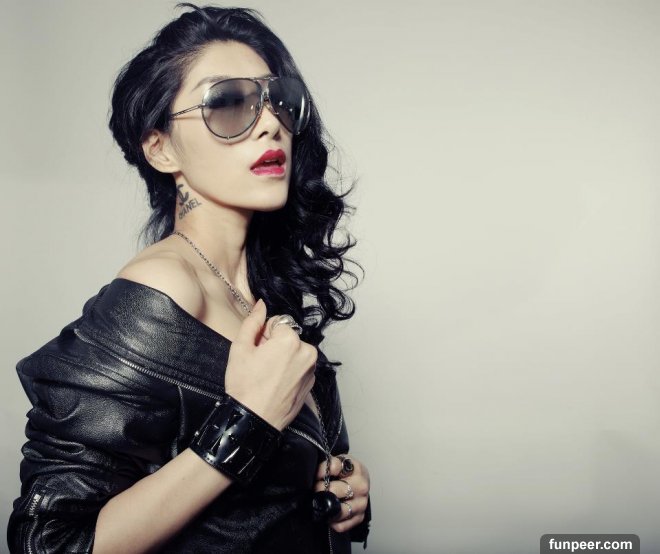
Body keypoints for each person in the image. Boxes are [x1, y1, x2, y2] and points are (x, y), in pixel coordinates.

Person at [7, 4, 371, 553]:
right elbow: (50, 541)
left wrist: (338, 491)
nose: (271, 123)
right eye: (227, 103)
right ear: (161, 148)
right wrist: (248, 423)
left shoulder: (261, 291)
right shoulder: (164, 287)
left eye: (279, 100)